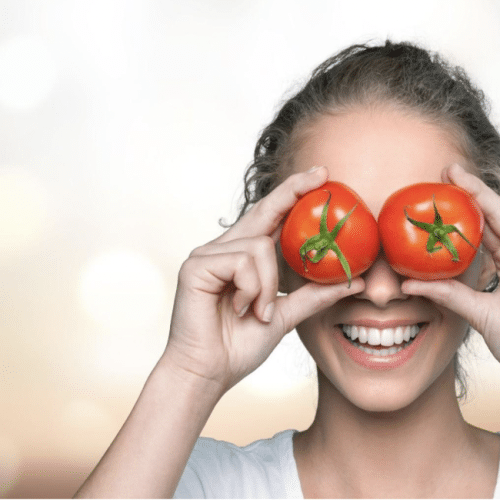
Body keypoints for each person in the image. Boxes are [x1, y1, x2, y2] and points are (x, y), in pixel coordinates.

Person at [74, 40, 500, 498]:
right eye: (328, 230)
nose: (379, 291)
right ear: (276, 257)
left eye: (429, 247)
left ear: (488, 258)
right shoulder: (188, 485)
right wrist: (190, 374)